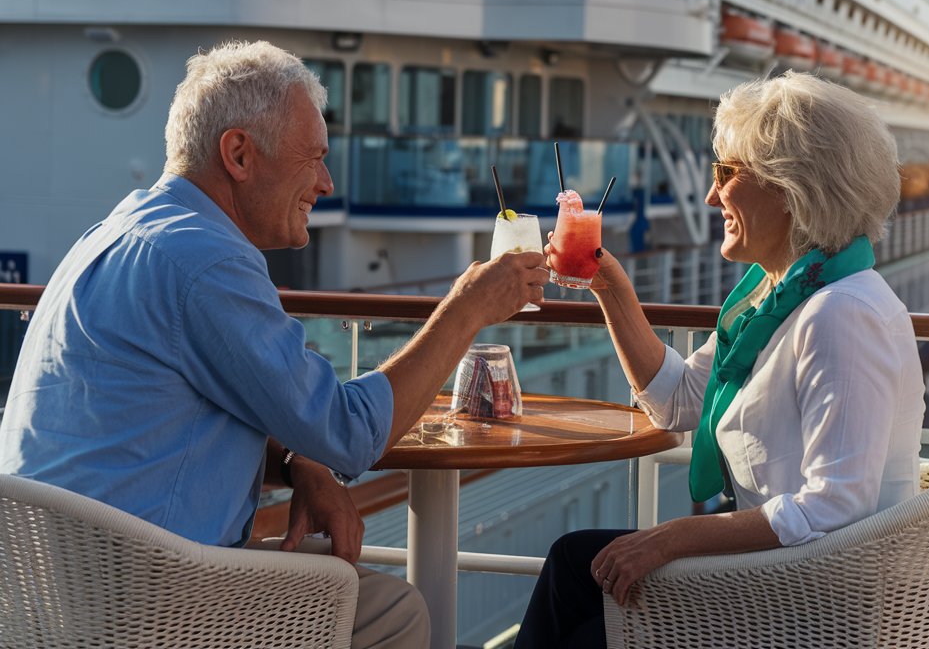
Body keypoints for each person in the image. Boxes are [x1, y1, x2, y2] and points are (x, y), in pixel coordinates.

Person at [0, 39, 548, 649]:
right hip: (145, 609)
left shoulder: (114, 233)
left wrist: (292, 463)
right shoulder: (204, 261)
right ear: (238, 153)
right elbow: (348, 432)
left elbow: (152, 438)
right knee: (392, 612)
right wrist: (467, 306)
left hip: (44, 596)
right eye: (312, 157)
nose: (326, 180)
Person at [515, 71, 925, 648]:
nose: (712, 197)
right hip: (777, 578)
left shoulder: (841, 314)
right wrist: (609, 283)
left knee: (586, 622)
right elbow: (678, 403)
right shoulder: (774, 296)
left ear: (790, 188)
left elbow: (836, 503)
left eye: (726, 174)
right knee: (571, 564)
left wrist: (675, 537)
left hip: (818, 606)